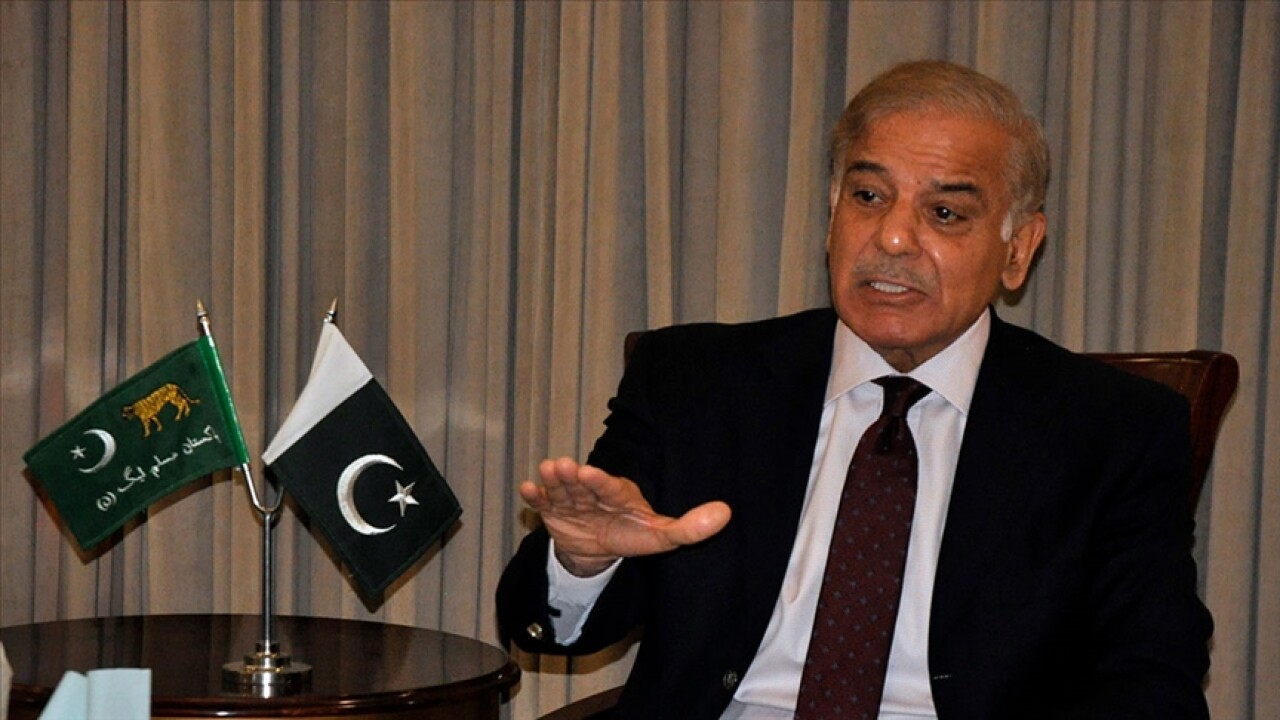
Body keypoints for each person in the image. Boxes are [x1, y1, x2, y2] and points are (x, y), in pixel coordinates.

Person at [497, 60, 1212, 719]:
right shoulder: (695, 380)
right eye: (869, 197)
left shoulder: (1113, 428)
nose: (893, 239)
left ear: (1018, 248)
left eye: (944, 213)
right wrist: (584, 562)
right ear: (832, 213)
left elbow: (1155, 677)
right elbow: (546, 626)